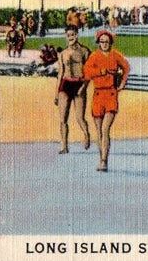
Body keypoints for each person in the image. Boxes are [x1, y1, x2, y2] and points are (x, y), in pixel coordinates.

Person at [82, 30, 130, 172]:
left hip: (110, 94)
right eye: (102, 42)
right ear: (98, 42)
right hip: (98, 95)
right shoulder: (94, 57)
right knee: (99, 132)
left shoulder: (115, 56)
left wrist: (122, 83)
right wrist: (100, 72)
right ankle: (101, 158)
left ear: (110, 43)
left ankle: (104, 161)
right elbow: (87, 72)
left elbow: (126, 67)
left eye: (107, 42)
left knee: (105, 128)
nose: (104, 44)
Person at [54, 26, 91, 154]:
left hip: (79, 84)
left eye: (73, 34)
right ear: (66, 36)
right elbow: (60, 73)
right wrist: (56, 93)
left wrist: (84, 87)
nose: (71, 37)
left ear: (77, 35)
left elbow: (89, 73)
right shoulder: (63, 53)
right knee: (63, 119)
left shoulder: (85, 51)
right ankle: (64, 145)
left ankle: (86, 134)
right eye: (68, 35)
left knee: (80, 117)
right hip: (66, 84)